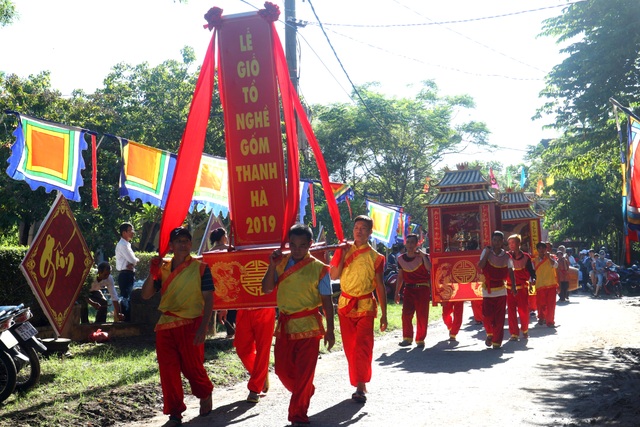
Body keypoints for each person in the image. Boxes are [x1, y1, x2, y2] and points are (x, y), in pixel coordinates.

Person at [262, 224, 335, 426]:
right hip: (285, 325)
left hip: (310, 327)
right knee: (282, 371)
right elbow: (267, 289)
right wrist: (270, 265)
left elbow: (327, 301)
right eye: (293, 245)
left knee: (304, 373)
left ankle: (298, 416)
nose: (297, 249)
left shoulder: (320, 269)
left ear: (310, 245)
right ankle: (305, 391)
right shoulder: (280, 263)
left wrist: (330, 330)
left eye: (302, 245)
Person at [141, 227, 214, 427]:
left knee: (192, 367)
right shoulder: (162, 268)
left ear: (190, 244)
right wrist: (152, 272)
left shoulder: (201, 268)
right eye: (179, 241)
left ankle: (204, 392)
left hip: (191, 323)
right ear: (171, 246)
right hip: (165, 325)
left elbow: (209, 300)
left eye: (186, 240)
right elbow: (146, 295)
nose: (183, 244)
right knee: (168, 370)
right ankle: (175, 413)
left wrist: (203, 328)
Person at [330, 215, 387, 403]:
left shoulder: (376, 257)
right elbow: (333, 275)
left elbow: (379, 285)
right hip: (346, 304)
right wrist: (337, 254)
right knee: (350, 348)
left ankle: (360, 385)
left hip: (365, 305)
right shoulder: (344, 249)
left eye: (363, 228)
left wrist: (385, 314)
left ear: (370, 232)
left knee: (363, 346)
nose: (359, 231)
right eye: (356, 227)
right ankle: (358, 381)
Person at [477, 231, 516, 349]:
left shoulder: (507, 256)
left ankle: (497, 342)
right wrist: (487, 253)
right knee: (487, 316)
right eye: (494, 240)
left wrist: (513, 286)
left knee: (499, 318)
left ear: (502, 242)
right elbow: (480, 266)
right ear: (492, 240)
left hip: (500, 290)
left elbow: (511, 271)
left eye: (499, 240)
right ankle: (490, 333)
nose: (496, 243)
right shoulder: (486, 251)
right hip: (488, 289)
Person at [394, 233, 431, 348]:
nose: (410, 245)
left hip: (422, 289)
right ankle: (407, 337)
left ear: (417, 244)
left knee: (422, 315)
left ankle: (420, 339)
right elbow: (400, 277)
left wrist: (424, 255)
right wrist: (397, 293)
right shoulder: (400, 259)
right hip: (409, 289)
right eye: (408, 242)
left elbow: (429, 268)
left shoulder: (422, 257)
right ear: (405, 243)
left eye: (412, 243)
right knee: (406, 315)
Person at [506, 234, 536, 340]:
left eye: (513, 243)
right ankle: (514, 333)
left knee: (523, 310)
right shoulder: (506, 256)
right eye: (509, 243)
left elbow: (532, 271)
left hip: (522, 288)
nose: (511, 245)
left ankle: (525, 330)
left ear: (519, 243)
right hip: (509, 288)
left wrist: (534, 279)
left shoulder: (526, 257)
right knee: (511, 311)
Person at [210, 228, 236, 338]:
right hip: (230, 281)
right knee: (233, 305)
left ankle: (228, 325)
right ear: (222, 237)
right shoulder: (231, 250)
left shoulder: (210, 252)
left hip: (216, 283)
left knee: (221, 304)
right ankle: (232, 324)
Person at [115, 222, 139, 322]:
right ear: (124, 233)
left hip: (127, 273)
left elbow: (133, 261)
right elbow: (133, 260)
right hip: (125, 274)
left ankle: (126, 318)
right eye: (130, 230)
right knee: (126, 297)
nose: (132, 232)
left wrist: (135, 261)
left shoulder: (126, 245)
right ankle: (125, 319)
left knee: (127, 296)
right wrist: (135, 261)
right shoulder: (123, 245)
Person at [532, 241, 559, 327]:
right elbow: (532, 272)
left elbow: (556, 266)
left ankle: (550, 321)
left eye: (543, 248)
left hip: (551, 284)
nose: (541, 250)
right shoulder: (534, 260)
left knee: (551, 304)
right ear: (537, 250)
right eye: (539, 248)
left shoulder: (551, 257)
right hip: (540, 285)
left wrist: (549, 258)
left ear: (546, 249)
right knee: (540, 304)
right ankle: (541, 317)